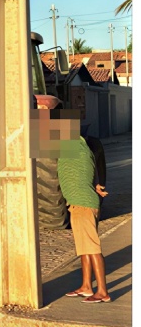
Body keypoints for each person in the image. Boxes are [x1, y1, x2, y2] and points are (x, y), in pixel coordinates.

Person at [52, 111, 110, 303]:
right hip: (78, 205)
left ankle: (102, 291)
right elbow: (90, 171)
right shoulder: (79, 148)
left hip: (84, 204)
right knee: (84, 249)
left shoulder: (74, 148)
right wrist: (97, 185)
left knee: (92, 249)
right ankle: (86, 286)